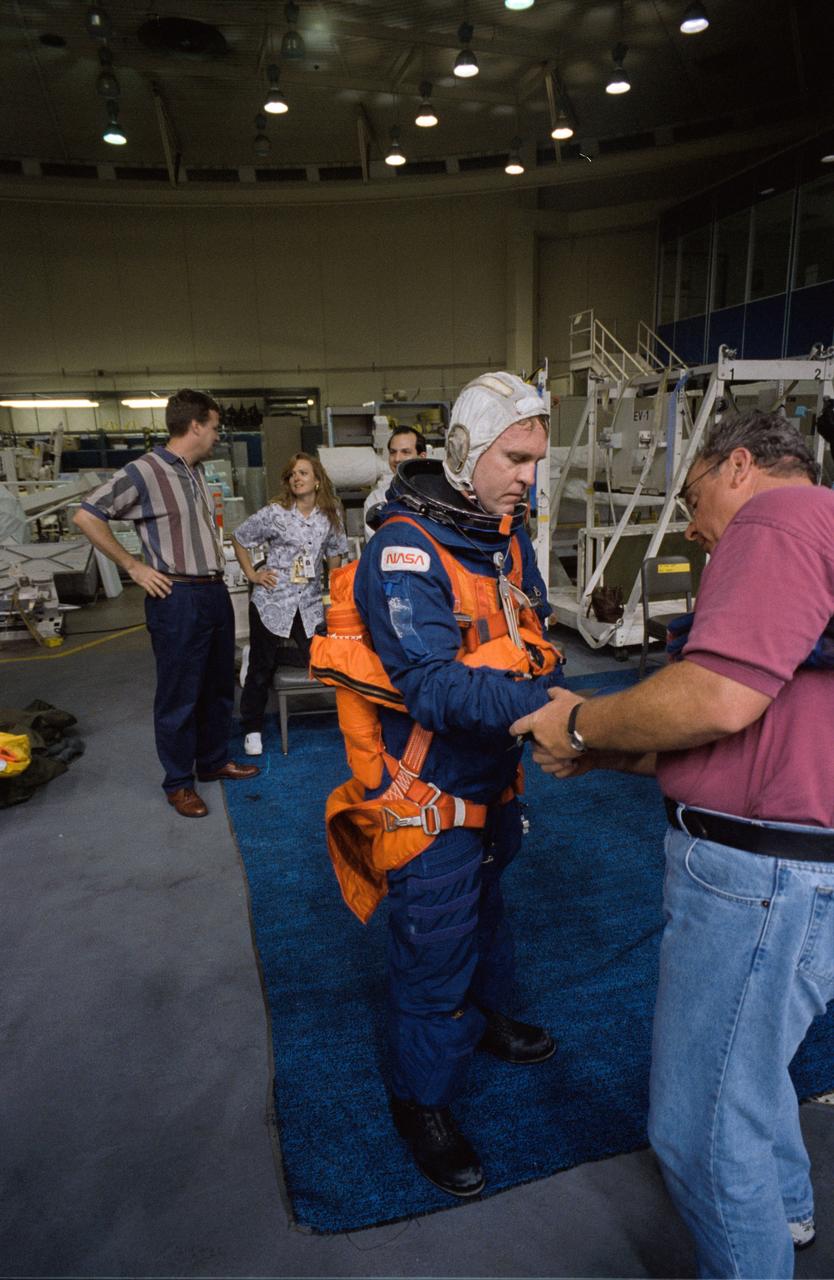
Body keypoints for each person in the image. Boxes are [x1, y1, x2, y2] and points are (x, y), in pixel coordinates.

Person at [511, 410, 834, 1279]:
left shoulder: (780, 518)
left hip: (761, 878)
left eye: (692, 498)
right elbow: (750, 729)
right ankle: (787, 1212)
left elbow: (717, 698)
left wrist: (581, 723)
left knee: (700, 1127)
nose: (691, 526)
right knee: (750, 1071)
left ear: (740, 466)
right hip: (795, 867)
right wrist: (605, 749)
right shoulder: (819, 532)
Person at [315, 372, 566, 1198]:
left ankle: (485, 1018)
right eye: (515, 458)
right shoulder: (407, 549)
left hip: (494, 779)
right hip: (428, 796)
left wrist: (542, 690)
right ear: (463, 450)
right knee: (436, 946)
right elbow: (430, 686)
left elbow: (529, 634)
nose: (529, 475)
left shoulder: (505, 536)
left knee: (488, 913)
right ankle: (421, 1100)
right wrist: (550, 709)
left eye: (535, 460)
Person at [73, 389, 259, 818]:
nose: (217, 435)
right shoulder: (145, 471)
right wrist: (132, 566)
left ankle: (212, 761)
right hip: (177, 597)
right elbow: (86, 515)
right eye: (214, 427)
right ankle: (178, 783)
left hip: (212, 591)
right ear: (195, 425)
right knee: (180, 694)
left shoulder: (195, 470)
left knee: (217, 686)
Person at [233, 452, 348, 756]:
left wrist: (334, 592)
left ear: (317, 480)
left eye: (303, 473)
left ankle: (262, 654)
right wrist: (252, 574)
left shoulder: (330, 514)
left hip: (308, 604)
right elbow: (240, 537)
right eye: (292, 474)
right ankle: (252, 728)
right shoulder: (276, 513)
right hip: (272, 601)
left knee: (318, 660)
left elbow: (335, 554)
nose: (297, 478)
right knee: (260, 671)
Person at [363, 426, 427, 540]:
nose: (397, 459)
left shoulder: (435, 495)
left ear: (422, 457)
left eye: (405, 452)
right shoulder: (376, 499)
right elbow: (377, 542)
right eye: (393, 452)